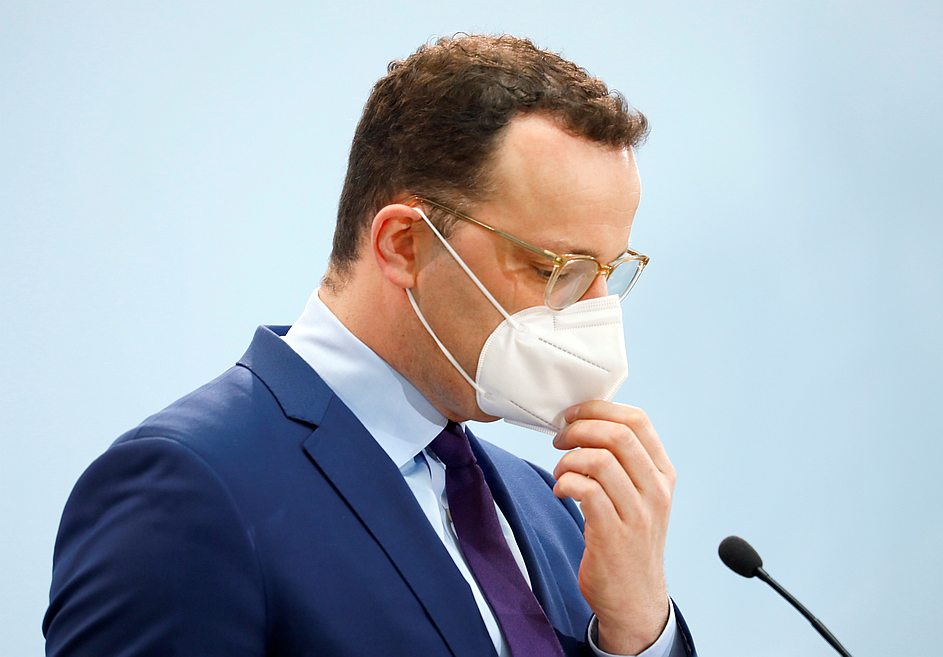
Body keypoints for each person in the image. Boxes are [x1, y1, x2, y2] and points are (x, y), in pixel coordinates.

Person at [44, 34, 697, 657]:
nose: (596, 312)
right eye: (558, 268)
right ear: (403, 245)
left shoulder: (552, 510)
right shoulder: (186, 488)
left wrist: (639, 628)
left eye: (610, 272)